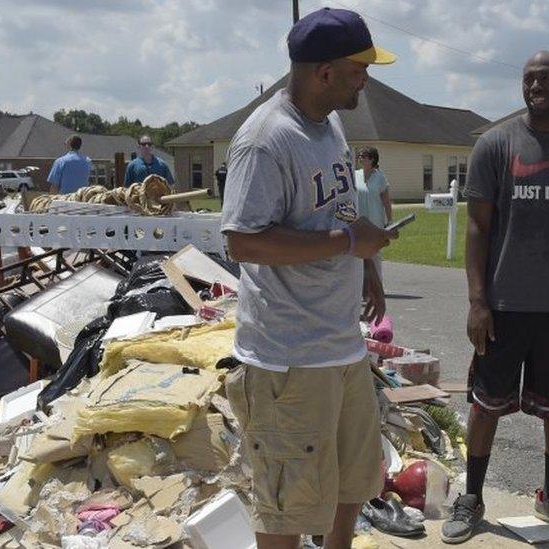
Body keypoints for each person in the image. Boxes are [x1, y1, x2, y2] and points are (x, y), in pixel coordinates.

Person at [219, 7, 397, 549]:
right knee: (288, 506)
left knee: (349, 482)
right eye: (359, 68)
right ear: (324, 72)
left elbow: (338, 206)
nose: (366, 79)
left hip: (339, 345)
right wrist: (348, 244)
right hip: (288, 358)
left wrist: (365, 261)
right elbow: (242, 241)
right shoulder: (265, 140)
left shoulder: (330, 126)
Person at [441, 50, 549, 544]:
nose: (535, 85)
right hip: (504, 306)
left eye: (546, 78)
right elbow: (477, 227)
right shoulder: (496, 144)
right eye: (528, 78)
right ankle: (472, 497)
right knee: (486, 405)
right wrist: (477, 301)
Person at [354, 146, 392, 279]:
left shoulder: (380, 177)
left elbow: (386, 201)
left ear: (372, 159)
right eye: (360, 156)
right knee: (358, 255)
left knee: (374, 255)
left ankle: (377, 287)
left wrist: (389, 220)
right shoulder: (355, 175)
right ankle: (361, 289)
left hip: (375, 222)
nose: (360, 158)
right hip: (358, 222)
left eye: (363, 156)